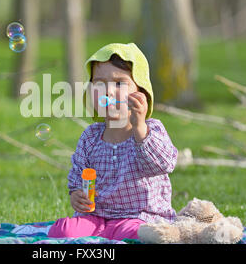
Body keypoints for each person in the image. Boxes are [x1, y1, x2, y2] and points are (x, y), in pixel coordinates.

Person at [48, 43, 178, 241]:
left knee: (140, 234)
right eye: (99, 84)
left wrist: (140, 128)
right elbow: (77, 176)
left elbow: (164, 164)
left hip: (139, 216)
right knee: (62, 231)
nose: (108, 92)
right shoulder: (91, 137)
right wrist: (76, 195)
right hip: (96, 218)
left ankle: (133, 235)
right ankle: (105, 235)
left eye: (119, 83)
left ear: (140, 93)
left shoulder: (151, 129)